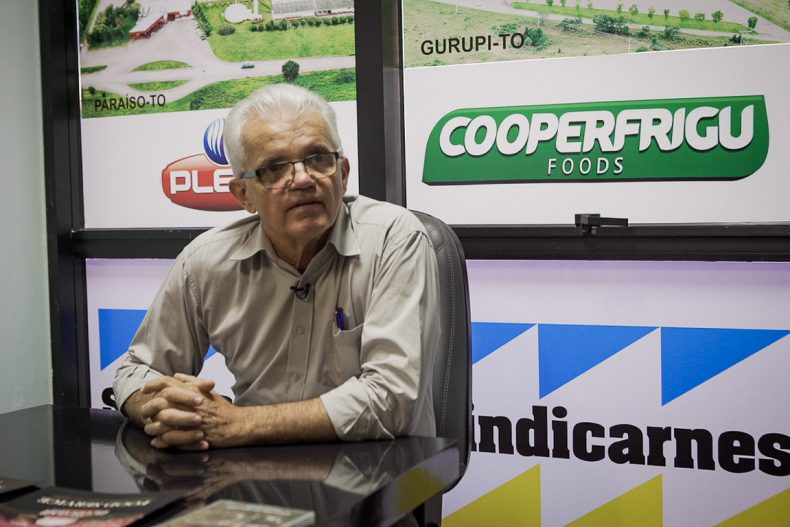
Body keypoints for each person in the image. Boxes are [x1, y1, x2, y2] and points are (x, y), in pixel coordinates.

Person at [113, 84, 440, 452]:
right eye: (274, 168)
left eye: (318, 158)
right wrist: (163, 408)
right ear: (243, 195)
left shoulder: (394, 238)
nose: (302, 179)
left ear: (343, 173)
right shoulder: (205, 261)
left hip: (378, 472)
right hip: (249, 472)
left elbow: (393, 399)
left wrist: (238, 424)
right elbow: (135, 371)